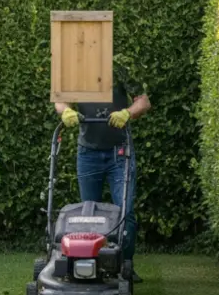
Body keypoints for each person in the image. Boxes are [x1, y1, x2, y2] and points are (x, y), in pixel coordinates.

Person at [55, 73, 150, 282]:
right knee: (89, 210)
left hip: (120, 152)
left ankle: (125, 265)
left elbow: (143, 102)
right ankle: (91, 266)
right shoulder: (76, 68)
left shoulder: (121, 67)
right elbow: (61, 100)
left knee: (126, 210)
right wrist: (66, 111)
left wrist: (127, 112)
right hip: (88, 153)